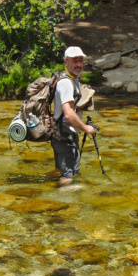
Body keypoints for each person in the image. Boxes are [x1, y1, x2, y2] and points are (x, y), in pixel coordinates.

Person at [50, 46, 97, 186]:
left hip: (59, 134)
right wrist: (86, 128)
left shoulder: (71, 80)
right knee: (68, 177)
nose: (79, 64)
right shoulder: (66, 83)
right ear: (66, 62)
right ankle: (63, 204)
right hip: (66, 136)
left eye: (80, 60)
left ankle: (43, 188)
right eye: (74, 61)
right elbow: (69, 114)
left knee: (59, 170)